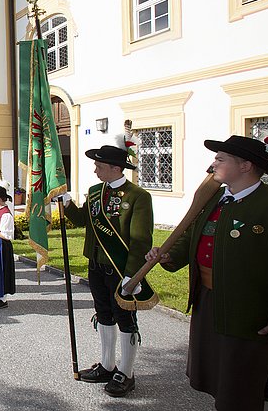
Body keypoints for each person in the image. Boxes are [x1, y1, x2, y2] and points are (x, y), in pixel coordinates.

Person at [146, 135, 268, 411]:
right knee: (217, 379)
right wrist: (168, 254)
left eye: (221, 159)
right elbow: (194, 237)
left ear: (245, 165)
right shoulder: (214, 200)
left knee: (243, 385)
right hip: (208, 303)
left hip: (249, 314)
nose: (214, 163)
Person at [62, 144, 154, 398]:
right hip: (95, 263)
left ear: (116, 168)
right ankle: (107, 364)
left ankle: (126, 372)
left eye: (99, 166)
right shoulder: (94, 192)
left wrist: (133, 274)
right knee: (103, 313)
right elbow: (82, 220)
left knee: (124, 317)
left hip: (120, 268)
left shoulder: (137, 196)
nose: (95, 170)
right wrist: (68, 204)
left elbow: (141, 239)